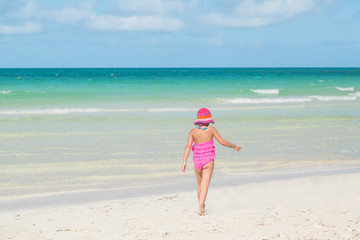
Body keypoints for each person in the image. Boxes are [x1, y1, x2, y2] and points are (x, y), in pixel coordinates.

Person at [181, 108, 241, 216]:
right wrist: (234, 146)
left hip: (197, 161)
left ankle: (201, 206)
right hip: (208, 160)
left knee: (199, 185)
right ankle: (200, 208)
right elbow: (222, 141)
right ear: (208, 120)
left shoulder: (193, 132)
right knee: (205, 184)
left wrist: (184, 162)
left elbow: (188, 146)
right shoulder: (211, 130)